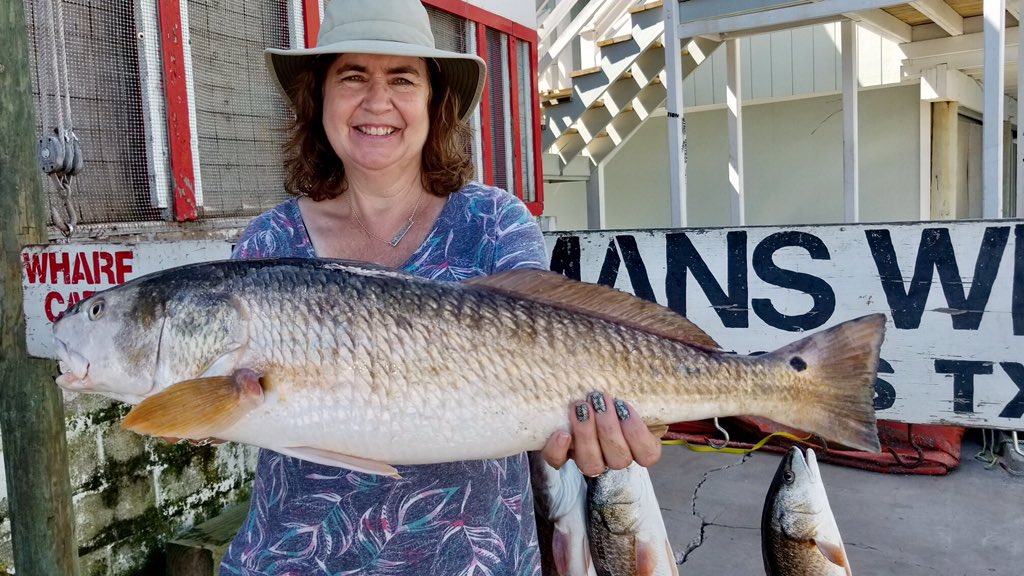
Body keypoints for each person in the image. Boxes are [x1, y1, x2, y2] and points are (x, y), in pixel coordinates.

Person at [219, 0, 661, 573]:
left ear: (434, 101)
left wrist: (597, 423)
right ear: (318, 98)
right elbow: (234, 396)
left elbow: (555, 344)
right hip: (294, 560)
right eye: (352, 76)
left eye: (402, 78)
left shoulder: (493, 222)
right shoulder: (269, 240)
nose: (377, 101)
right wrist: (201, 412)